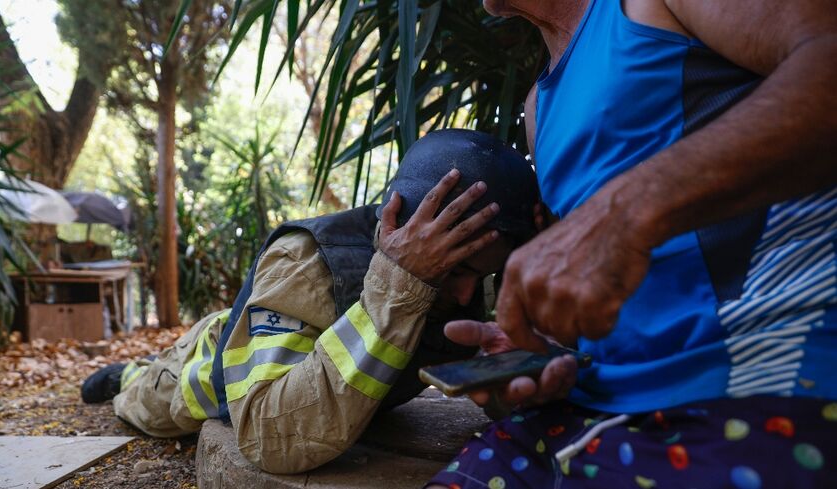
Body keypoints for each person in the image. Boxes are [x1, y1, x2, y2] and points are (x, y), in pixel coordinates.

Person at [428, 0, 836, 487]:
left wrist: (626, 208)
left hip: (761, 382)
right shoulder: (539, 109)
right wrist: (545, 355)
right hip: (589, 413)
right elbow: (613, 279)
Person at [81, 129, 541, 474]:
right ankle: (130, 373)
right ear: (396, 222)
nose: (466, 295)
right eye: (455, 272)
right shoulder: (305, 261)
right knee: (149, 403)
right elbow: (268, 436)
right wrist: (402, 284)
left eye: (480, 275)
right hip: (211, 368)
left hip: (283, 330)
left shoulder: (470, 267)